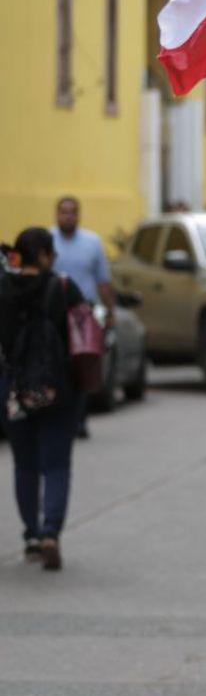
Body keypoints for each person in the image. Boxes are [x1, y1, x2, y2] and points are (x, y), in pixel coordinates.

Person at [0, 227, 87, 571]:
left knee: (25, 464)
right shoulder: (63, 287)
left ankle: (32, 536)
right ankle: (52, 532)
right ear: (48, 255)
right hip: (56, 388)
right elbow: (84, 334)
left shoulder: (3, 288)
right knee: (56, 463)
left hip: (12, 388)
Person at [51, 196, 116, 438]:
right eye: (63, 212)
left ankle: (79, 419)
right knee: (58, 367)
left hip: (83, 315)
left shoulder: (91, 242)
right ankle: (59, 418)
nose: (68, 216)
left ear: (78, 215)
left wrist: (110, 312)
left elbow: (103, 281)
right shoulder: (48, 241)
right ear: (56, 214)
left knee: (83, 366)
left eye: (72, 212)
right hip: (54, 315)